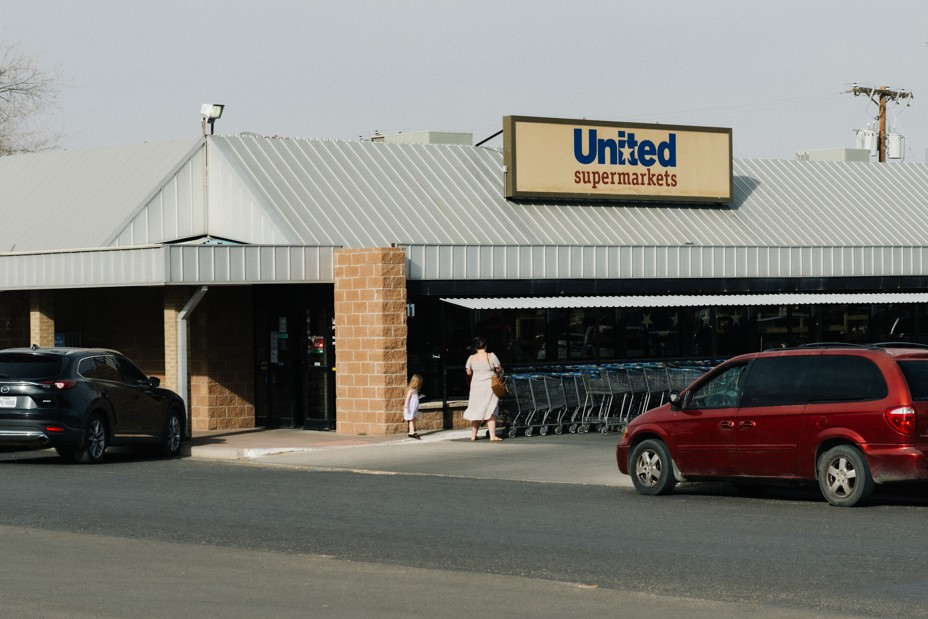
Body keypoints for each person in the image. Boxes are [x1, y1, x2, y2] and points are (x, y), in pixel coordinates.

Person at [463, 337, 504, 442]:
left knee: (477, 409)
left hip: (476, 386)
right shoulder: (491, 356)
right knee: (490, 410)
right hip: (489, 385)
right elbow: (499, 368)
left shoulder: (471, 358)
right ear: (485, 346)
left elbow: (468, 372)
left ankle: (473, 435)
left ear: (475, 347)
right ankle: (492, 435)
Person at [404, 374, 423, 439]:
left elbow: (415, 399)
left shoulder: (415, 391)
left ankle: (410, 433)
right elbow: (407, 398)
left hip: (414, 408)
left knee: (413, 419)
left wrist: (419, 397)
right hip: (410, 408)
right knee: (411, 420)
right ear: (416, 383)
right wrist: (406, 406)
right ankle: (413, 432)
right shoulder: (411, 390)